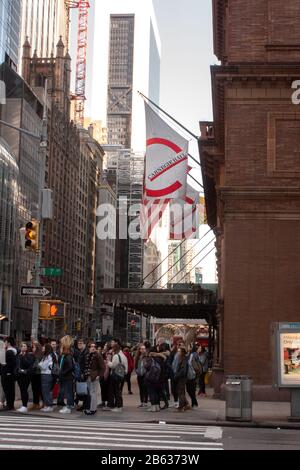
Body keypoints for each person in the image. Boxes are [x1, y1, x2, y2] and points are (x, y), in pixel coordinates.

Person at [83, 341, 105, 415]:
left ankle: (93, 409)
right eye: (91, 346)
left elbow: (103, 367)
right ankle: (91, 408)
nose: (93, 348)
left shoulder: (97, 355)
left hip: (94, 376)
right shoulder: (87, 355)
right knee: (90, 393)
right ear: (88, 348)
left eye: (94, 347)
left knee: (93, 393)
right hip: (88, 376)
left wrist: (99, 375)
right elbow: (86, 366)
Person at [107, 340, 128, 412]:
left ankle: (119, 407)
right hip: (122, 375)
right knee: (119, 391)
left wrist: (108, 362)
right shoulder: (124, 356)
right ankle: (119, 406)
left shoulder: (116, 356)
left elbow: (113, 366)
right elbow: (126, 367)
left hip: (115, 376)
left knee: (116, 391)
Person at [57, 335, 75, 413]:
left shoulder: (68, 355)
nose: (60, 344)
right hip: (66, 376)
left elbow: (70, 366)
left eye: (62, 343)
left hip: (67, 376)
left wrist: (63, 372)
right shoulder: (66, 354)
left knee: (68, 392)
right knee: (68, 391)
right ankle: (70, 405)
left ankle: (68, 407)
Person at [0, 337, 17, 411]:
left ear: (8, 343)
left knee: (7, 390)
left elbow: (3, 362)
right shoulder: (14, 351)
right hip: (9, 373)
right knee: (10, 389)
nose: (4, 344)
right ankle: (10, 405)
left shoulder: (9, 352)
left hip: (7, 373)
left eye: (5, 342)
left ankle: (9, 405)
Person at [16, 342, 34, 413]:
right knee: (22, 390)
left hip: (26, 375)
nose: (23, 347)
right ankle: (23, 405)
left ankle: (25, 406)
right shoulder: (18, 355)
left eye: (24, 346)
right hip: (19, 376)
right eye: (22, 346)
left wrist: (23, 357)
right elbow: (16, 365)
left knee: (24, 390)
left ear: (27, 348)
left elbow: (28, 364)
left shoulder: (29, 355)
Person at [173, 346, 190, 412]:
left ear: (182, 352)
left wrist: (177, 375)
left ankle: (181, 407)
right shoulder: (181, 358)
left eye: (179, 351)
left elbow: (183, 370)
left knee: (181, 392)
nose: (178, 352)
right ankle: (186, 404)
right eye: (178, 351)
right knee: (181, 391)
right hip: (180, 377)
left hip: (181, 378)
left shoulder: (184, 359)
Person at [73, 338, 89, 411]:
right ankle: (83, 405)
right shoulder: (81, 352)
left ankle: (85, 406)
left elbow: (86, 364)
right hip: (80, 374)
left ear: (84, 344)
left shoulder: (85, 352)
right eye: (78, 343)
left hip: (83, 374)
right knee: (81, 389)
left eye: (81, 343)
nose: (79, 344)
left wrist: (83, 373)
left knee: (84, 390)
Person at [39, 343, 54, 412]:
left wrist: (40, 364)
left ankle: (49, 405)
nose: (42, 348)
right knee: (45, 391)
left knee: (46, 391)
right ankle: (47, 405)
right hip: (45, 374)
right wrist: (41, 364)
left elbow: (43, 366)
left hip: (46, 375)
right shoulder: (46, 356)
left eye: (44, 348)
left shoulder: (48, 356)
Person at [29, 341, 43, 410]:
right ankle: (35, 403)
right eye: (32, 347)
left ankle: (41, 403)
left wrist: (31, 366)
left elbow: (36, 365)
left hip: (38, 374)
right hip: (34, 374)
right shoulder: (33, 354)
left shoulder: (39, 355)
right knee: (34, 389)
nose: (32, 348)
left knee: (39, 389)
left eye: (34, 347)